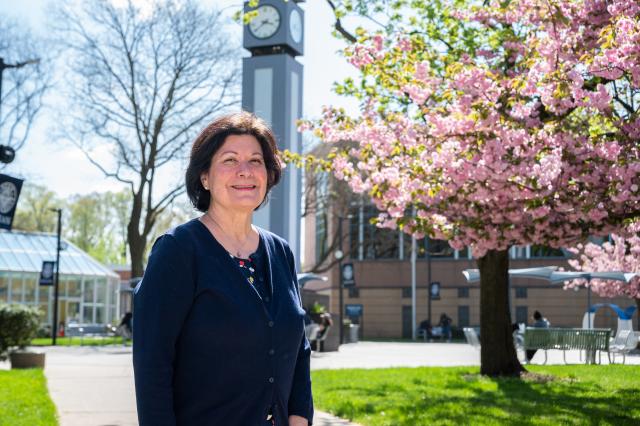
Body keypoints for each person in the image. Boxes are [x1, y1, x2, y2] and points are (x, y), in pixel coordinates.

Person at [133, 112, 313, 426]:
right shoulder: (178, 250)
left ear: (268, 175)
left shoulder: (280, 251)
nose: (245, 171)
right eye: (229, 160)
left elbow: (298, 349)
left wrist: (300, 417)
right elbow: (153, 365)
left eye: (256, 161)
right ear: (205, 177)